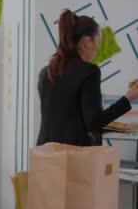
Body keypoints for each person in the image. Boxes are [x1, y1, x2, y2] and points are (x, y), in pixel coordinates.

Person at [37, 9, 138, 146]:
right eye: (98, 42)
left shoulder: (46, 72)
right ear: (88, 41)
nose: (97, 50)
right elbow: (94, 123)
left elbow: (66, 120)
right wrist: (128, 98)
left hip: (45, 155)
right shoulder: (89, 71)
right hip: (73, 157)